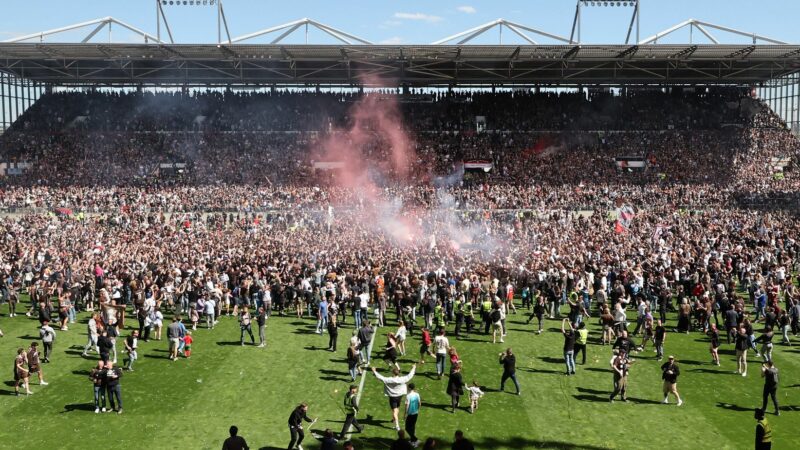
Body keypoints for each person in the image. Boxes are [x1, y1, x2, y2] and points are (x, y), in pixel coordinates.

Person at [372, 364, 417, 431]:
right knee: (397, 408)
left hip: (392, 397)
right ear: (398, 373)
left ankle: (397, 425)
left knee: (395, 411)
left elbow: (380, 377)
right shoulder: (402, 379)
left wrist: (374, 371)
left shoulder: (388, 380)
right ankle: (394, 419)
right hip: (400, 396)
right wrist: (414, 368)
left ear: (393, 373)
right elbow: (410, 375)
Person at [404, 382, 421, 447]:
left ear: (409, 388)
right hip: (415, 413)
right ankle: (412, 441)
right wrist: (418, 410)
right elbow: (419, 403)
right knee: (412, 427)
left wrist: (405, 414)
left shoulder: (408, 396)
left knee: (407, 428)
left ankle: (415, 439)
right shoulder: (417, 394)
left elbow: (407, 406)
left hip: (410, 414)